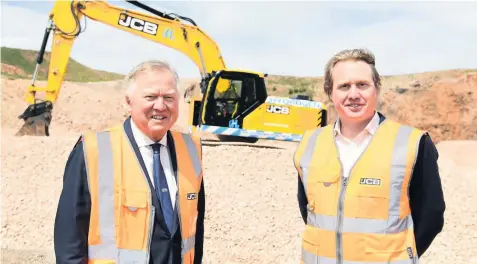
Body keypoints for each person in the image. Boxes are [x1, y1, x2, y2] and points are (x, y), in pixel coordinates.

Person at [294, 48, 445, 263]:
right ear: (331, 92)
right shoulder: (310, 144)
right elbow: (308, 210)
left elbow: (431, 215)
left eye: (362, 85)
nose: (353, 94)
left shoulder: (413, 144)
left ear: (376, 88)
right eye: (344, 86)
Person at [54, 60, 205, 264]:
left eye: (169, 97)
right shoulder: (93, 150)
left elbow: (195, 229)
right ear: (127, 102)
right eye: (151, 96)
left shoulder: (191, 149)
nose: (160, 106)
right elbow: (70, 237)